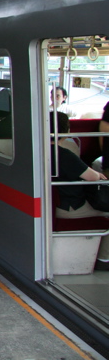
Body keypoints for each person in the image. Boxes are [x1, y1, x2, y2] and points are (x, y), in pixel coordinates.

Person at [50, 111, 109, 270]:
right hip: (70, 207)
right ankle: (104, 260)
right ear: (65, 131)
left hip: (54, 205)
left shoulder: (38, 151)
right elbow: (93, 177)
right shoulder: (64, 154)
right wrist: (100, 175)